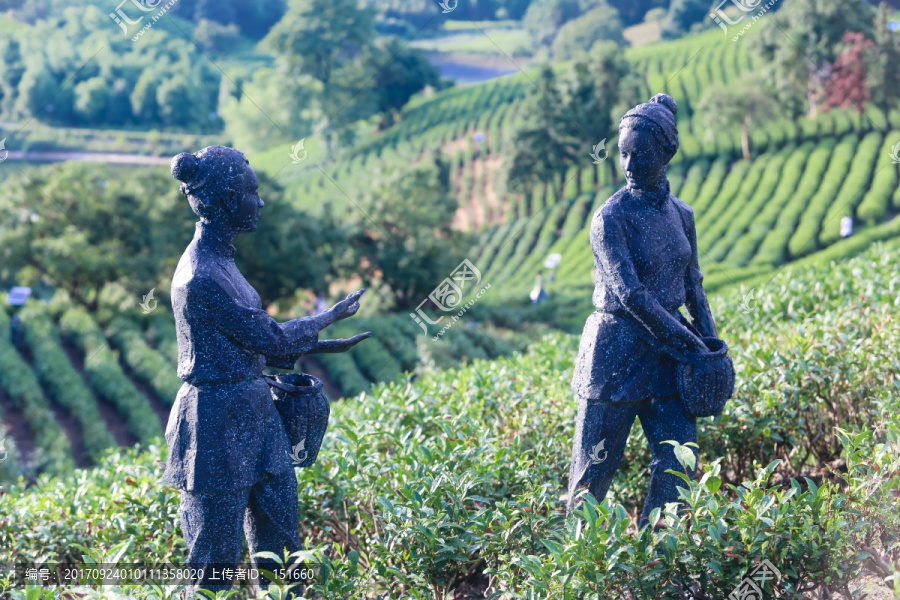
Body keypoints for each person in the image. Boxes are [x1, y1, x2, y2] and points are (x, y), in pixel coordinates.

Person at [163, 146, 370, 598]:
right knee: (213, 564)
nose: (259, 202)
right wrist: (327, 318)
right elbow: (272, 339)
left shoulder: (223, 261)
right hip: (214, 424)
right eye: (250, 192)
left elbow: (255, 341)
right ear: (222, 202)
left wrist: (319, 341)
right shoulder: (201, 276)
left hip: (254, 411)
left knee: (282, 548)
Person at [567, 94, 719, 529]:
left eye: (641, 153)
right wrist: (690, 343)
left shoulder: (682, 215)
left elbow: (694, 286)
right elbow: (631, 296)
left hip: (668, 355)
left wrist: (710, 346)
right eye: (623, 154)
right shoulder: (610, 218)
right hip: (615, 356)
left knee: (679, 464)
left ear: (667, 151)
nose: (629, 164)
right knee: (591, 476)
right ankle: (582, 572)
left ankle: (657, 560)